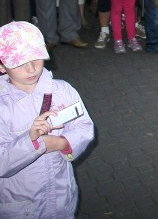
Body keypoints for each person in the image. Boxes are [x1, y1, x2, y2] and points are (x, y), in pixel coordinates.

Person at [0, 21, 95, 216]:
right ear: (2, 66)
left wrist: (62, 143)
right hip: (21, 207)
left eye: (36, 57)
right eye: (19, 62)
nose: (31, 69)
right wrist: (33, 142)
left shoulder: (62, 90)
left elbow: (84, 125)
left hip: (62, 198)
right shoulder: (3, 105)